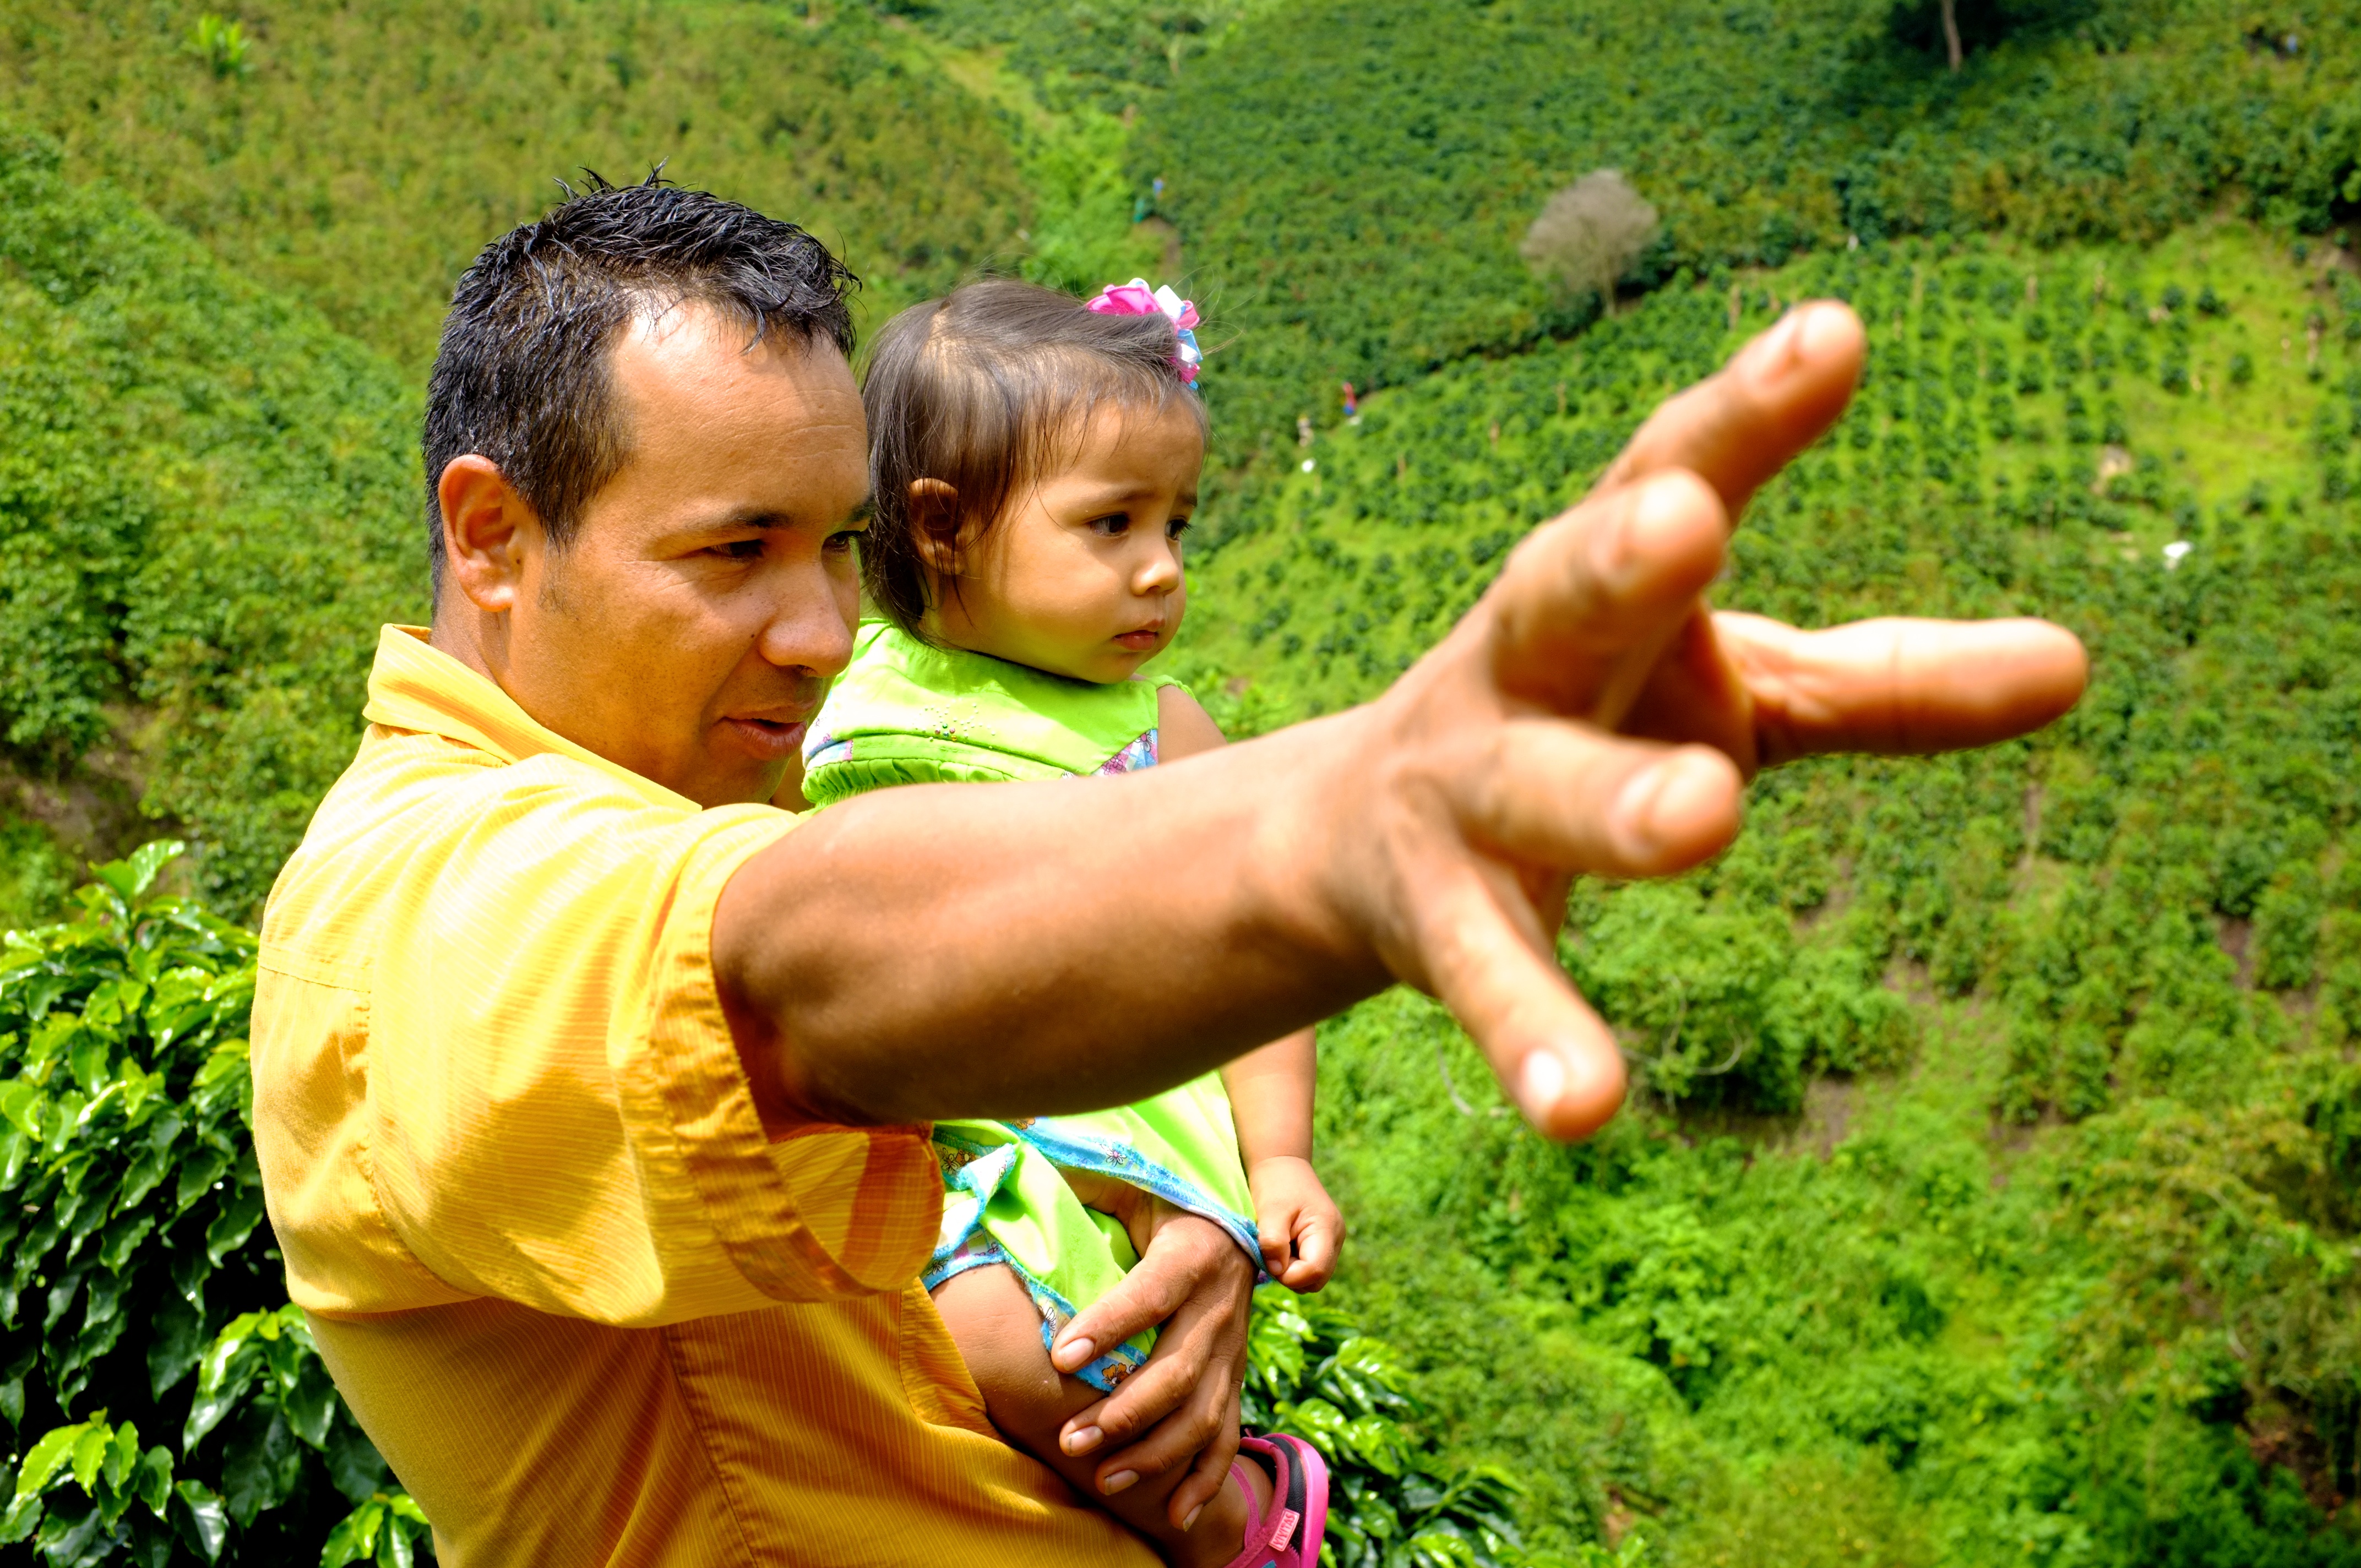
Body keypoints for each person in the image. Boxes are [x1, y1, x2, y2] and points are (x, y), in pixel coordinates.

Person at [250, 176, 2089, 1567]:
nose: (816, 632)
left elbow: (917, 1038)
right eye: (734, 553)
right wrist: (1328, 831)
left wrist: (1181, 1208)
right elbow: (783, 966)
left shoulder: (688, 776)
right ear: (494, 537)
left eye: (830, 548)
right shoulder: (405, 910)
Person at [798, 276, 1337, 1568]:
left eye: (1175, 525)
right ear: (941, 524)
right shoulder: (839, 693)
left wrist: (1279, 1157)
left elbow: (1268, 949)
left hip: (1116, 1134)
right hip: (935, 1127)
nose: (1161, 570)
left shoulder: (1159, 731)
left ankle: (1241, 1517)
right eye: (1111, 523)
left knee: (1036, 1351)